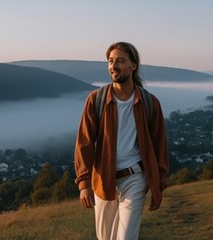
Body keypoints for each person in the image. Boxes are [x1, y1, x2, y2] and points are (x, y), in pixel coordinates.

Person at [74, 42, 169, 240]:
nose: (113, 66)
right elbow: (85, 142)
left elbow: (159, 143)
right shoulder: (96, 100)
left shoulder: (149, 103)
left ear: (133, 66)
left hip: (135, 177)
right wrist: (84, 183)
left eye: (120, 61)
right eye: (110, 61)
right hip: (103, 179)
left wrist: (159, 179)